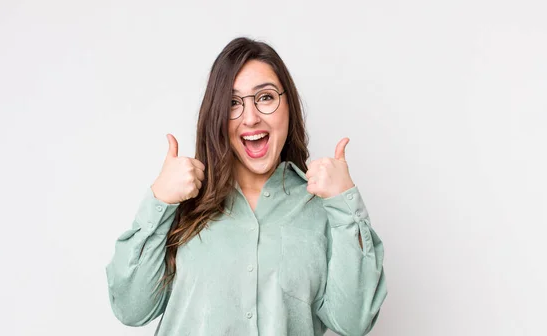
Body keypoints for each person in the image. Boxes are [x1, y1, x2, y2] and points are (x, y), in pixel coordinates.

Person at [105, 37, 387, 336]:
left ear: (287, 104)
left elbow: (353, 322)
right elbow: (132, 309)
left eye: (265, 97)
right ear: (217, 116)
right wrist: (159, 199)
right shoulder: (182, 201)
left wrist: (344, 204)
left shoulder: (323, 208)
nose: (250, 118)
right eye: (233, 103)